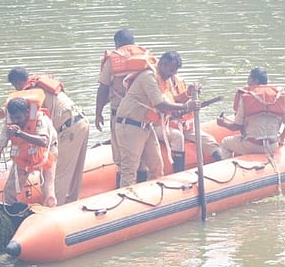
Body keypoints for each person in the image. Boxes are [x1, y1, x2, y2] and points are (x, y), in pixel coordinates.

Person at [0, 67, 89, 205]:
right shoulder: (37, 86)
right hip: (80, 121)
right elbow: (23, 107)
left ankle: (56, 210)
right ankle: (71, 202)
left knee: (58, 175)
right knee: (74, 173)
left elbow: (26, 108)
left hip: (68, 129)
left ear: (18, 82)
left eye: (15, 85)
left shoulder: (32, 98)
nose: (15, 89)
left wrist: (15, 127)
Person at [113, 51, 200, 187]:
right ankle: (127, 200)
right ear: (163, 64)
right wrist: (186, 106)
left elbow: (168, 102)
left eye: (174, 72)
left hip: (146, 126)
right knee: (129, 171)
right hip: (130, 126)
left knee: (157, 167)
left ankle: (153, 199)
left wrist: (184, 100)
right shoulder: (148, 77)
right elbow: (160, 104)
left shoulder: (163, 80)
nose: (172, 75)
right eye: (171, 71)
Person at [95, 28, 155, 163]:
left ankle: (123, 181)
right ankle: (143, 180)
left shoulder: (112, 60)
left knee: (122, 159)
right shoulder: (145, 58)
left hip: (120, 115)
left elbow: (103, 89)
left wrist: (98, 113)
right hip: (142, 114)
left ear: (117, 43)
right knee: (143, 158)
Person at [0, 93, 58, 207]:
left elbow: (43, 141)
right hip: (24, 155)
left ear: (27, 113)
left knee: (49, 192)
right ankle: (12, 215)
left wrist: (19, 133)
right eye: (13, 118)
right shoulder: (9, 123)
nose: (16, 121)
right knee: (9, 192)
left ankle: (50, 212)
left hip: (47, 153)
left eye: (19, 118)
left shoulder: (39, 119)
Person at [216, 67, 285, 158]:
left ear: (255, 81)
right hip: (272, 146)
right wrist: (281, 138)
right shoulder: (278, 96)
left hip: (252, 146)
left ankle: (229, 167)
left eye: (249, 79)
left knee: (225, 142)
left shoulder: (247, 97)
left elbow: (236, 126)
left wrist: (223, 123)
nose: (247, 82)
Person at [154, 74, 223, 172]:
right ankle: (178, 171)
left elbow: (181, 99)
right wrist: (186, 99)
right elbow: (170, 102)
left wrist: (191, 94)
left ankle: (222, 160)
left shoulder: (180, 81)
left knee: (207, 139)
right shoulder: (159, 83)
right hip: (164, 124)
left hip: (183, 125)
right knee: (177, 137)